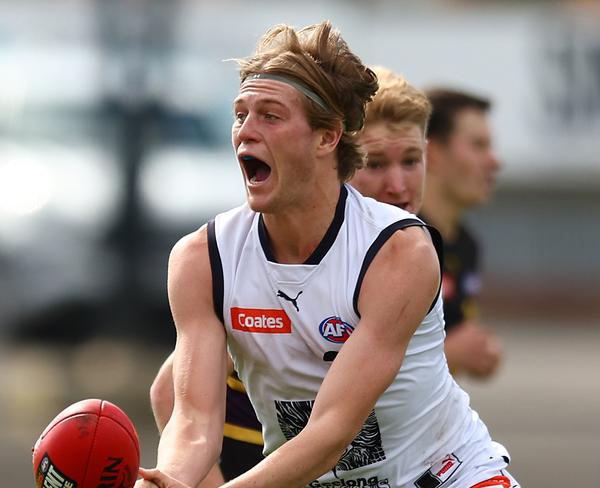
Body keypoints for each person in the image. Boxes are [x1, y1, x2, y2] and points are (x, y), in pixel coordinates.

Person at [137, 21, 519, 488]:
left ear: (327, 137)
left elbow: (332, 431)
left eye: (270, 116)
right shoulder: (202, 258)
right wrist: (170, 477)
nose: (246, 132)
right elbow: (193, 421)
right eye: (241, 115)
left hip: (447, 476)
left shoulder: (400, 250)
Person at [418, 88, 503, 379]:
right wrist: (449, 352)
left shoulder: (467, 246)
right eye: (479, 146)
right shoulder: (396, 240)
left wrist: (476, 353)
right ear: (433, 152)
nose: (495, 161)